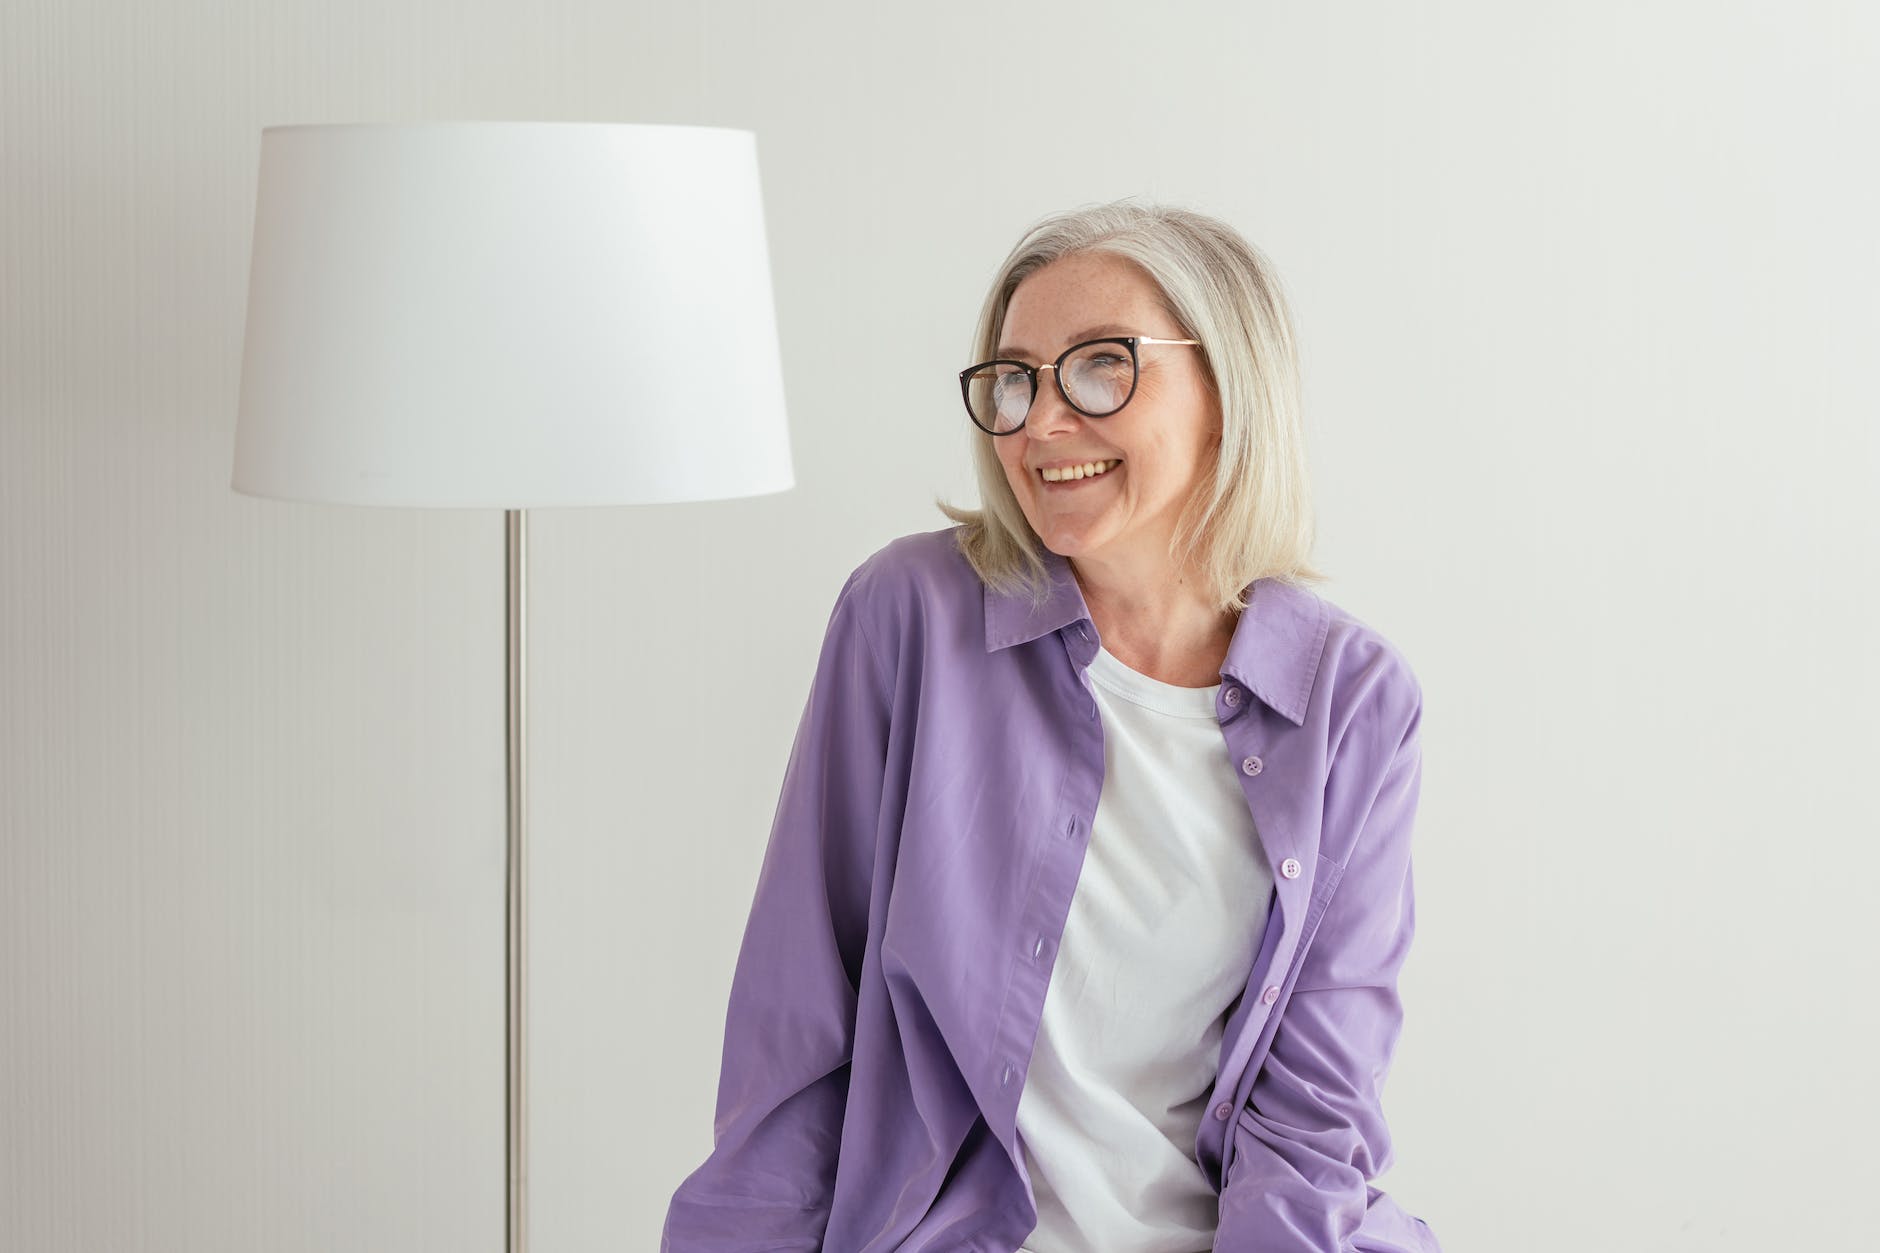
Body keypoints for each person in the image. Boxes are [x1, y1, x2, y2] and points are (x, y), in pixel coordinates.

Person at [662, 200, 1440, 1253]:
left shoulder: (1351, 697)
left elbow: (1314, 1112)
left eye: (1099, 366)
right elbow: (794, 1032)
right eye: (1016, 377)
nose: (1039, 422)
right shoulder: (909, 619)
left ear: (1226, 387)